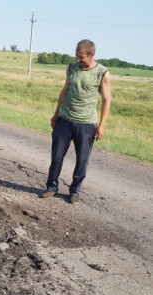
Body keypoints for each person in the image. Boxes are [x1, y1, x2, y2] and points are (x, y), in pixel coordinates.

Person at [41, 39, 111, 204]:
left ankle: (75, 191)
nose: (78, 60)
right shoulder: (72, 67)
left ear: (92, 55)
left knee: (82, 160)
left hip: (86, 124)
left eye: (81, 57)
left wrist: (101, 125)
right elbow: (65, 90)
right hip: (64, 120)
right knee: (56, 156)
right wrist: (56, 114)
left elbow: (107, 100)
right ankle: (51, 187)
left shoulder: (103, 72)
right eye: (76, 56)